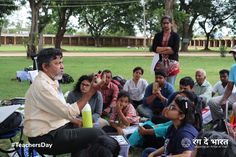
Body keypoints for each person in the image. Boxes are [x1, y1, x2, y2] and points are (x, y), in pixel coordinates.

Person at [23, 48, 107, 156]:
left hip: (55, 129)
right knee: (97, 133)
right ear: (45, 66)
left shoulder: (52, 81)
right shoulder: (43, 86)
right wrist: (91, 91)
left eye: (62, 62)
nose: (62, 66)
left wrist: (76, 121)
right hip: (44, 139)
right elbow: (67, 112)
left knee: (85, 135)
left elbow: (61, 108)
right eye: (57, 63)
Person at [208, 46, 236, 128]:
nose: (235, 56)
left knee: (235, 105)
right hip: (234, 96)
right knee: (212, 102)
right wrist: (224, 99)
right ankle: (221, 123)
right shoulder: (233, 68)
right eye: (233, 53)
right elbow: (229, 87)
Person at [152, 15, 180, 86]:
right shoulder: (157, 35)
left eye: (167, 23)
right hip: (159, 63)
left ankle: (170, 97)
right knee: (159, 84)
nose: (165, 25)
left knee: (170, 85)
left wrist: (160, 49)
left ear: (171, 24)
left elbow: (175, 50)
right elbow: (154, 48)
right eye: (164, 23)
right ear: (162, 24)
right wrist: (168, 48)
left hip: (172, 64)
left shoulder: (175, 36)